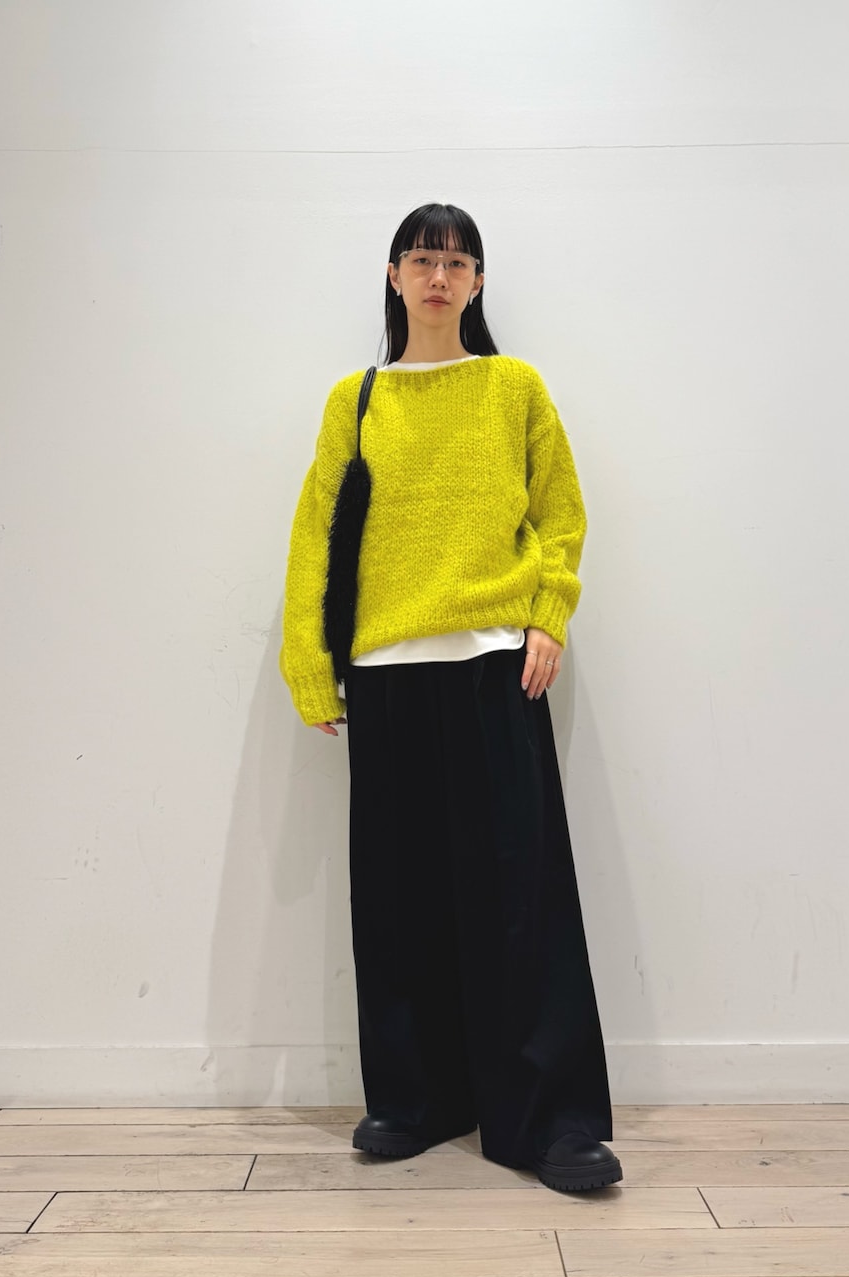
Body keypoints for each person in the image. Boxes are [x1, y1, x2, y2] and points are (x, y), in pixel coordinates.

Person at [279, 202, 621, 1193]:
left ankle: (548, 1121)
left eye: (458, 262)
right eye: (423, 258)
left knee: (519, 897)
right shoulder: (355, 399)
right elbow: (314, 535)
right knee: (398, 897)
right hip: (384, 672)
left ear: (477, 282)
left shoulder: (512, 387)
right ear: (394, 275)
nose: (440, 276)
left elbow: (559, 511)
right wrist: (310, 664)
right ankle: (414, 1100)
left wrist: (548, 615)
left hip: (492, 664)